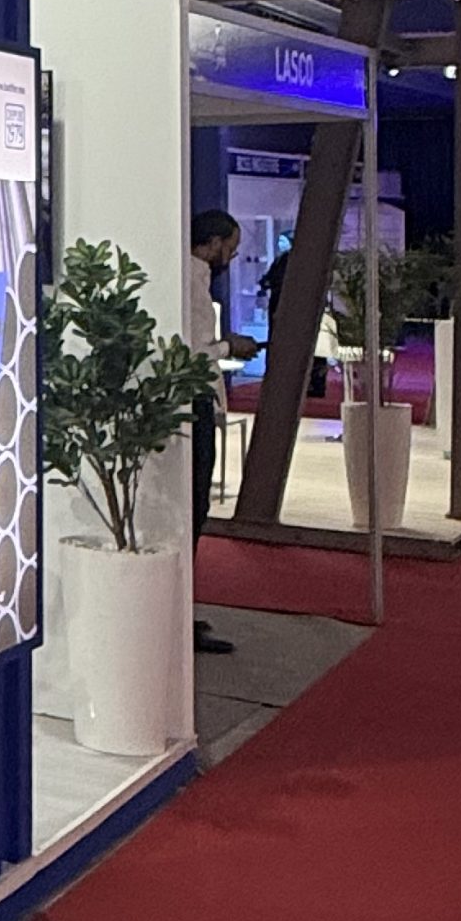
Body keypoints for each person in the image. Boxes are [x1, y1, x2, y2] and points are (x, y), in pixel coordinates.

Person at [188, 208, 260, 654]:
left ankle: (182, 611)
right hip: (192, 403)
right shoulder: (191, 281)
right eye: (230, 248)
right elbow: (194, 351)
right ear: (213, 243)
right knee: (194, 507)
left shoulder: (195, 280)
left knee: (198, 508)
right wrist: (230, 346)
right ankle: (179, 615)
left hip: (197, 402)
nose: (230, 258)